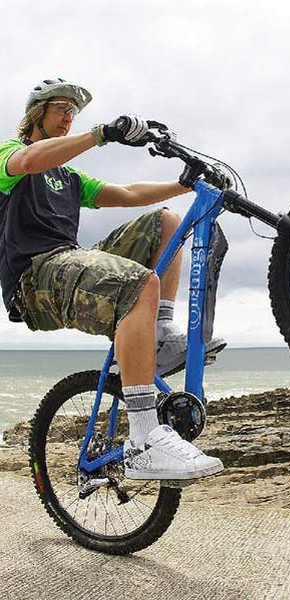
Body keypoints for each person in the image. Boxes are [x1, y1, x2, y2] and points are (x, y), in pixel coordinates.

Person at [0, 78, 225, 481]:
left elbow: (128, 193)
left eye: (74, 112)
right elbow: (30, 162)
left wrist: (185, 185)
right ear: (38, 113)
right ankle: (143, 439)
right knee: (138, 284)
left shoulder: (69, 179)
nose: (69, 117)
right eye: (61, 109)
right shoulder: (11, 154)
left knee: (167, 222)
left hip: (69, 259)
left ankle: (158, 333)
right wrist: (102, 134)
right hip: (34, 278)